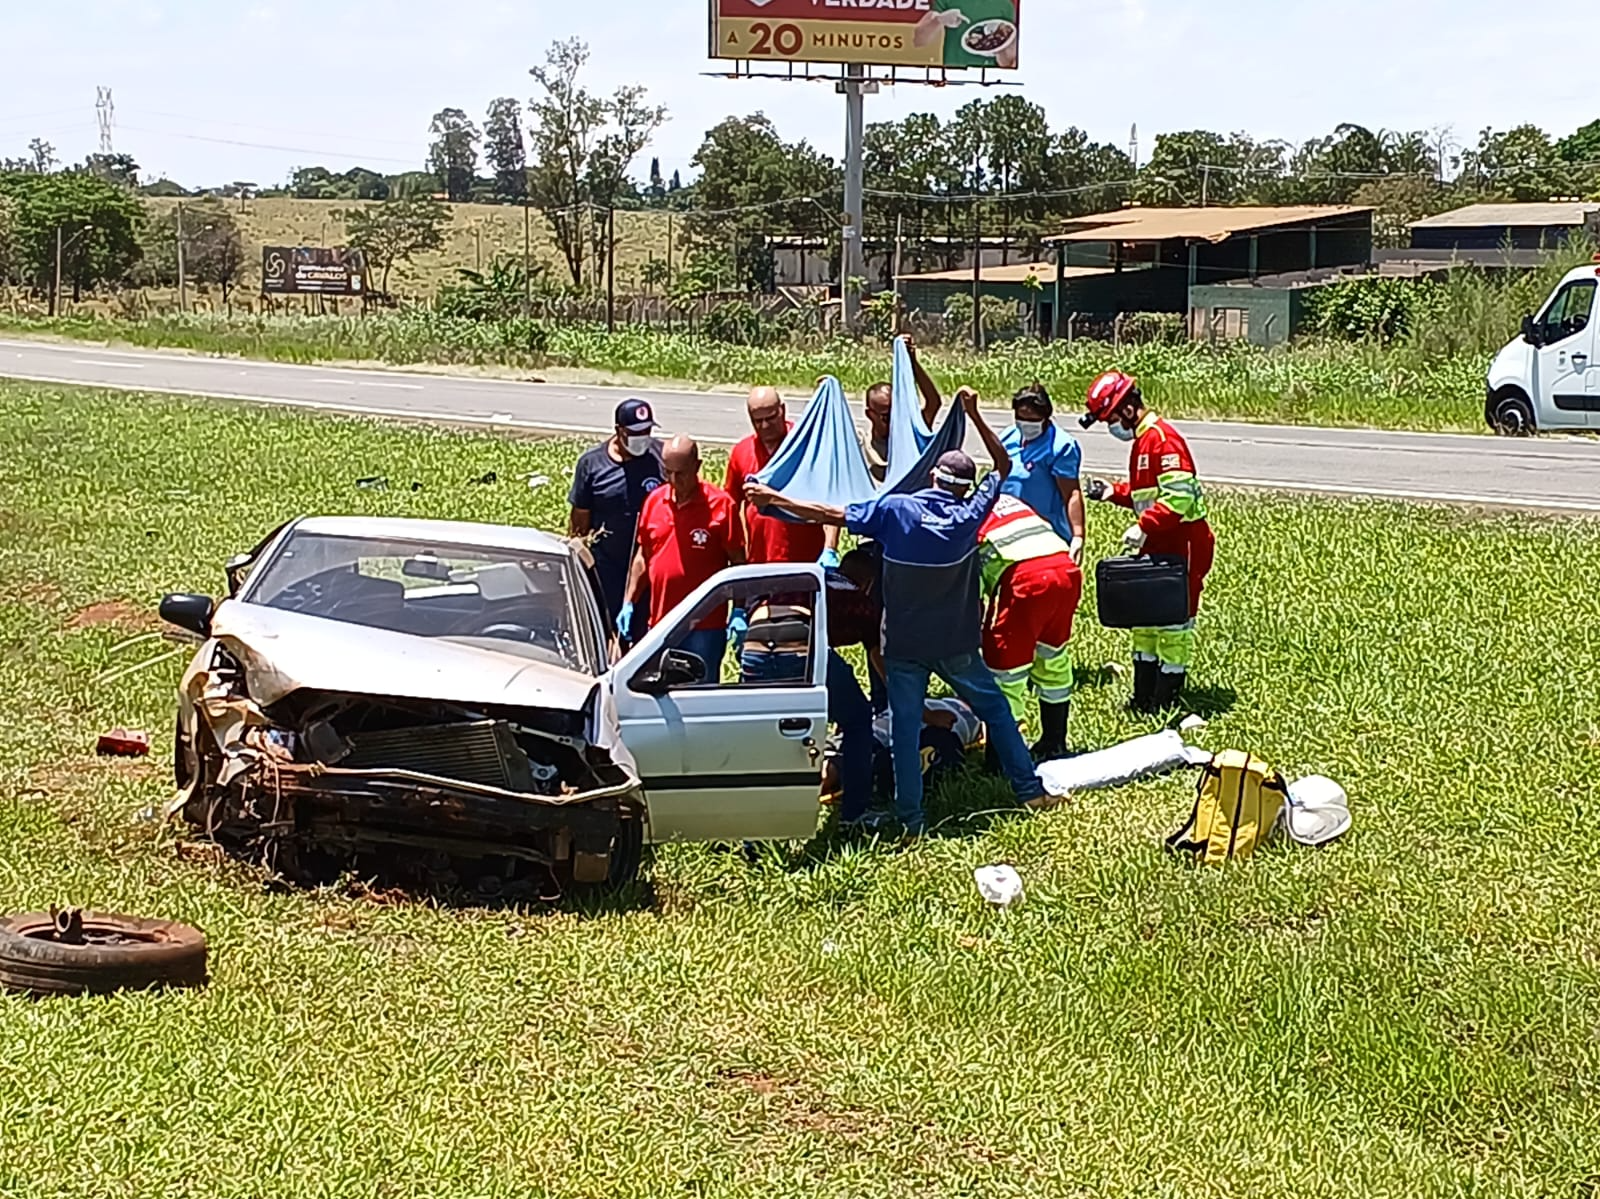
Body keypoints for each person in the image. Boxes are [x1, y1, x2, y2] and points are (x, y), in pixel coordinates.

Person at [746, 387, 1049, 835]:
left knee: (905, 733)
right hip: (956, 644)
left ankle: (912, 819)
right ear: (965, 490)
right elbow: (1004, 466)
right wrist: (974, 415)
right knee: (997, 711)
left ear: (932, 479)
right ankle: (1029, 791)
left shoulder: (896, 511)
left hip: (904, 646)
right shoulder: (970, 517)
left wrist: (776, 500)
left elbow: (828, 511)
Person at [1080, 370, 1216, 713]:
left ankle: (1166, 698)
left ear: (1126, 410)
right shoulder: (1142, 440)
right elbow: (1146, 494)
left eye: (1109, 419)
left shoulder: (1162, 440)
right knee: (1145, 621)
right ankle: (1143, 697)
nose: (1111, 427)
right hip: (1157, 542)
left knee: (1172, 623)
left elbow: (1179, 498)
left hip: (1182, 542)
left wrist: (1144, 525)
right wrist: (1113, 492)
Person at [622, 435, 745, 683]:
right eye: (668, 473)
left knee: (700, 696)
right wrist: (629, 601)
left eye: (682, 473)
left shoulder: (721, 506)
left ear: (697, 467)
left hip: (705, 625)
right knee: (661, 692)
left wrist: (739, 609)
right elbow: (643, 557)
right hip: (661, 623)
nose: (675, 481)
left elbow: (738, 563)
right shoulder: (654, 501)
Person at [977, 494, 1082, 762]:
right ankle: (1054, 741)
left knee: (1007, 670)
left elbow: (970, 592)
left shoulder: (967, 518)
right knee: (1052, 656)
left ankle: (1003, 757)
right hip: (1066, 570)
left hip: (1026, 581)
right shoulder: (1007, 500)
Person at [567, 398, 663, 646]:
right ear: (619, 431)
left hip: (651, 567)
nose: (643, 438)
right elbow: (579, 522)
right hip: (607, 568)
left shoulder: (660, 457)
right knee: (607, 635)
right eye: (635, 433)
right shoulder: (592, 464)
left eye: (647, 431)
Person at [998, 382, 1085, 563]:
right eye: (1021, 418)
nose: (1026, 425)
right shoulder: (1008, 437)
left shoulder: (1061, 446)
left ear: (1045, 416)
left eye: (1032, 420)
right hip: (1010, 527)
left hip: (1046, 531)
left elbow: (1071, 493)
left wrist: (1078, 535)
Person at [862, 336, 942, 485]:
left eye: (896, 414)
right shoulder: (861, 446)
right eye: (886, 417)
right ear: (870, 415)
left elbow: (933, 403)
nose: (893, 421)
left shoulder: (910, 435)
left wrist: (912, 363)